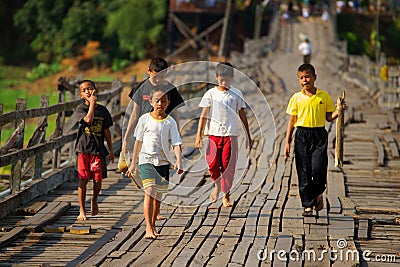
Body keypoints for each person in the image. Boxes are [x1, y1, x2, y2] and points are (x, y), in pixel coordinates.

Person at [122, 57, 184, 220]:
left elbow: (175, 113)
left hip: (164, 133)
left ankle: (156, 209)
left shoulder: (170, 89)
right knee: (148, 180)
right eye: (155, 77)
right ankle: (150, 207)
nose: (158, 80)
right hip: (144, 134)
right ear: (148, 72)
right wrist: (126, 137)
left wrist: (176, 138)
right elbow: (134, 113)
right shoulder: (141, 88)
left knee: (161, 180)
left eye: (162, 77)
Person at [284, 64, 345, 216]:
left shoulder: (323, 96)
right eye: (302, 78)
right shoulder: (296, 98)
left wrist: (339, 111)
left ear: (315, 77)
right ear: (299, 80)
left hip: (319, 135)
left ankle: (318, 192)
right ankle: (308, 205)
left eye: (308, 77)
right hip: (302, 135)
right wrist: (287, 142)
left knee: (318, 168)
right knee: (303, 170)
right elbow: (292, 121)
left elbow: (329, 118)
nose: (305, 80)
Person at [126, 88, 183, 239]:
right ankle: (148, 228)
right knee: (149, 192)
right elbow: (138, 142)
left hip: (163, 162)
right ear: (150, 101)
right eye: (157, 100)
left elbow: (176, 142)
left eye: (163, 101)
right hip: (146, 161)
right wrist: (133, 164)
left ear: (168, 103)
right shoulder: (144, 119)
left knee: (158, 196)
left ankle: (153, 223)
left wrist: (178, 160)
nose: (160, 104)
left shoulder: (170, 122)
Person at [195, 62, 252, 208]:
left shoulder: (236, 94)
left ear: (232, 78)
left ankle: (226, 194)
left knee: (228, 166)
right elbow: (203, 115)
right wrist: (199, 135)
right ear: (216, 78)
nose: (224, 82)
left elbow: (242, 114)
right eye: (221, 80)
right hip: (213, 135)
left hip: (231, 135)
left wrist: (248, 136)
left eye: (227, 79)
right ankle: (217, 184)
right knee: (213, 164)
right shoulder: (210, 94)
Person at [75, 80, 114, 221]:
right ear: (81, 95)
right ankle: (82, 209)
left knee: (98, 179)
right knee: (83, 179)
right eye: (84, 90)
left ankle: (95, 200)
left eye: (90, 88)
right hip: (84, 149)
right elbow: (88, 120)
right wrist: (91, 104)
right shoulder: (80, 109)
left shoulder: (103, 111)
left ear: (95, 90)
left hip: (98, 149)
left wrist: (110, 149)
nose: (88, 91)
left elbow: (107, 130)